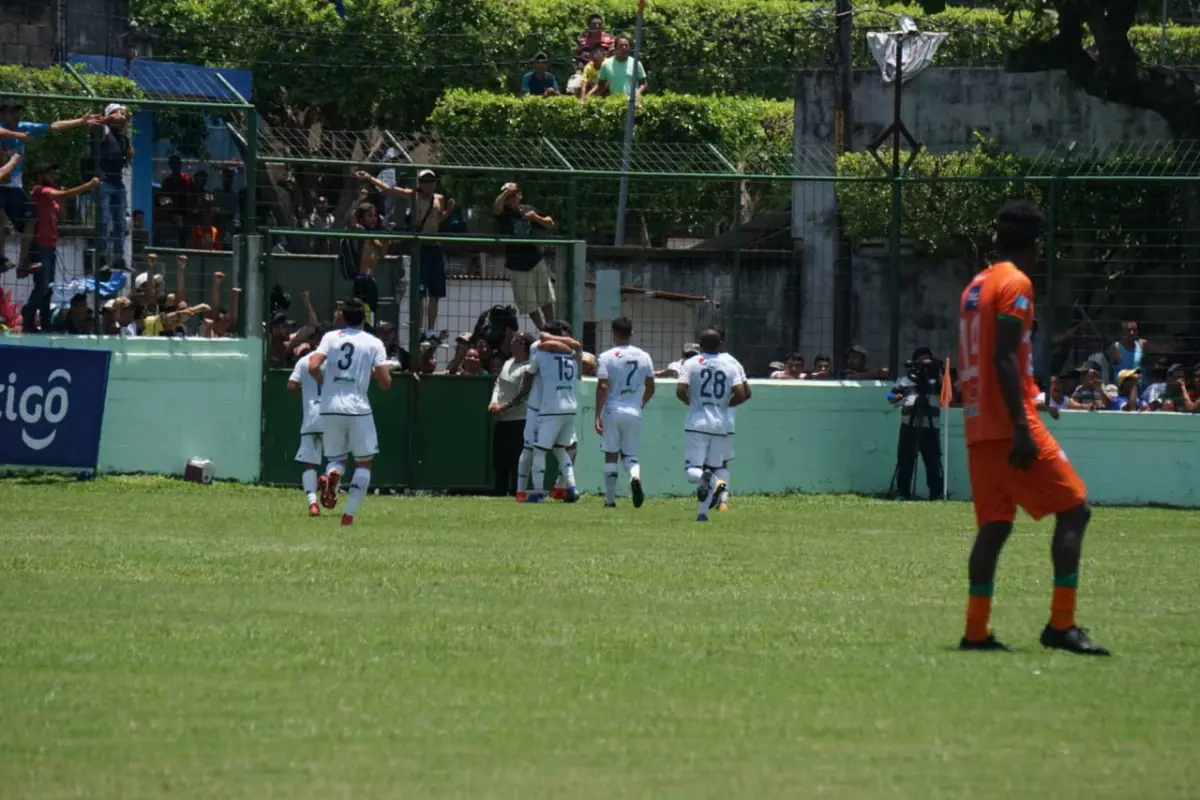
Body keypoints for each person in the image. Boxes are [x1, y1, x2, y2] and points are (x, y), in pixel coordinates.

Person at [956, 200, 1108, 656]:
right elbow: (1004, 354)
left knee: (995, 526)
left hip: (978, 424)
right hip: (1009, 423)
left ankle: (976, 631)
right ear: (1036, 245)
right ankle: (1061, 625)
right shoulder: (1015, 284)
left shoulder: (975, 285)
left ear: (996, 238)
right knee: (1075, 507)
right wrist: (1023, 425)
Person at [307, 298, 392, 526]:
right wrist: (375, 373)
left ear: (342, 316)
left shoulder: (330, 337)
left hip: (330, 406)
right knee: (364, 463)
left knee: (337, 458)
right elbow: (386, 383)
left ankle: (333, 474)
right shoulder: (373, 343)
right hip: (358, 407)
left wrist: (326, 383)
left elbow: (312, 365)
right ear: (365, 318)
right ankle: (348, 515)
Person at [497, 323, 582, 503]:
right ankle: (571, 487)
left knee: (536, 450)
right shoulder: (571, 354)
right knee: (560, 449)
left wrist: (514, 400)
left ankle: (535, 492)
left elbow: (530, 374)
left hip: (545, 409)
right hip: (568, 407)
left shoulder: (539, 350)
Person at [677, 328, 749, 522]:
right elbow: (742, 394)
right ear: (720, 344)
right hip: (721, 424)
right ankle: (702, 513)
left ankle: (712, 483)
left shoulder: (691, 363)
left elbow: (680, 390)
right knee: (716, 466)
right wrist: (725, 404)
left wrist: (690, 403)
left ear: (699, 345)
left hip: (697, 422)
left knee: (693, 470)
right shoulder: (730, 365)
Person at [21, 164, 100, 332]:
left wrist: (60, 197)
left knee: (48, 286)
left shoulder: (50, 196)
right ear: (41, 175)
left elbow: (62, 215)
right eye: (49, 173)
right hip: (40, 244)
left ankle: (44, 321)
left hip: (50, 245)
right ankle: (28, 319)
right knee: (41, 285)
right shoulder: (39, 191)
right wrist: (88, 185)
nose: (53, 176)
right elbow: (64, 194)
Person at [595, 317, 656, 508]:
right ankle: (634, 476)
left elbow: (603, 386)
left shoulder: (606, 357)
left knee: (610, 453)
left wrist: (597, 414)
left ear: (613, 334)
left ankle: (610, 499)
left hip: (613, 410)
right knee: (630, 454)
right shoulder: (644, 356)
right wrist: (640, 404)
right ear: (632, 333)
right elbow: (651, 386)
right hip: (634, 410)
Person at [493, 182, 556, 329]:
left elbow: (550, 223)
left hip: (535, 259)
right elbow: (496, 207)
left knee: (545, 297)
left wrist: (536, 218)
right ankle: (542, 330)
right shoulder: (503, 214)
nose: (511, 199)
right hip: (516, 264)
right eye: (508, 197)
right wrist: (506, 193)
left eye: (514, 195)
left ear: (520, 196)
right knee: (529, 302)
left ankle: (552, 327)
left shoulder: (529, 210)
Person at [488, 331, 535, 496]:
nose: (511, 342)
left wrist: (504, 407)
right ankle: (499, 489)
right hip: (503, 420)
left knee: (517, 457)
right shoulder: (508, 362)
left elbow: (523, 395)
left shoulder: (529, 367)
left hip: (519, 420)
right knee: (499, 457)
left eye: (515, 340)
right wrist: (493, 401)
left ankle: (517, 489)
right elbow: (498, 384)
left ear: (523, 345)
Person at [288, 348, 326, 517]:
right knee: (338, 459)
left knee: (309, 463)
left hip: (312, 416)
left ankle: (313, 503)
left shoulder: (303, 361)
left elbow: (291, 386)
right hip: (333, 415)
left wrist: (307, 389)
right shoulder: (333, 361)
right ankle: (329, 480)